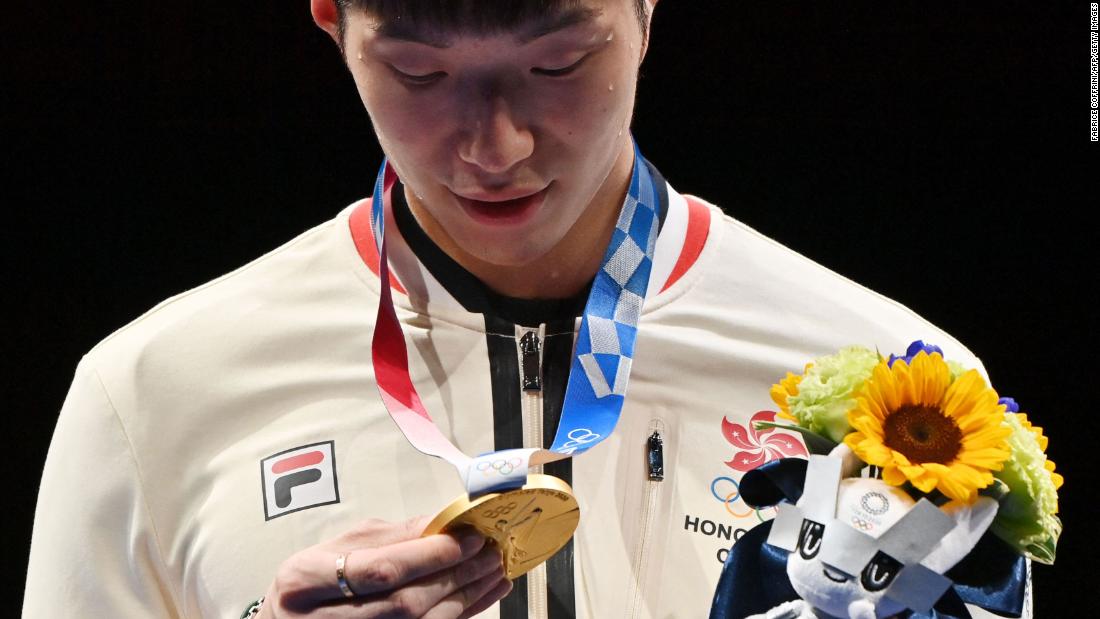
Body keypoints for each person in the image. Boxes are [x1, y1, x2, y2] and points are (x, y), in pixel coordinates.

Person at [23, 1, 1029, 617]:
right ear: (333, 22)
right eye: (420, 72)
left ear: (643, 8)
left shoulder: (908, 392)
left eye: (556, 63)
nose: (494, 145)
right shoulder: (149, 391)